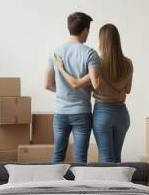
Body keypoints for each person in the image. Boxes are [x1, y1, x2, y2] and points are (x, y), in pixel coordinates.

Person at [53, 24, 133, 163]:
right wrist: (117, 95)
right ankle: (119, 185)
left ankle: (107, 185)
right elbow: (127, 90)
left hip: (103, 113)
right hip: (122, 114)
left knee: (106, 159)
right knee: (117, 159)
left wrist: (60, 67)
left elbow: (77, 83)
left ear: (101, 40)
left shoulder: (97, 63)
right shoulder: (128, 63)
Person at [45, 12, 100, 163]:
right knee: (80, 159)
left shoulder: (54, 52)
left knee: (57, 155)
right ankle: (78, 187)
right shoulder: (90, 54)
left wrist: (63, 91)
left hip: (60, 112)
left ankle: (53, 186)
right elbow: (95, 83)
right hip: (82, 112)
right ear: (85, 30)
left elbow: (47, 84)